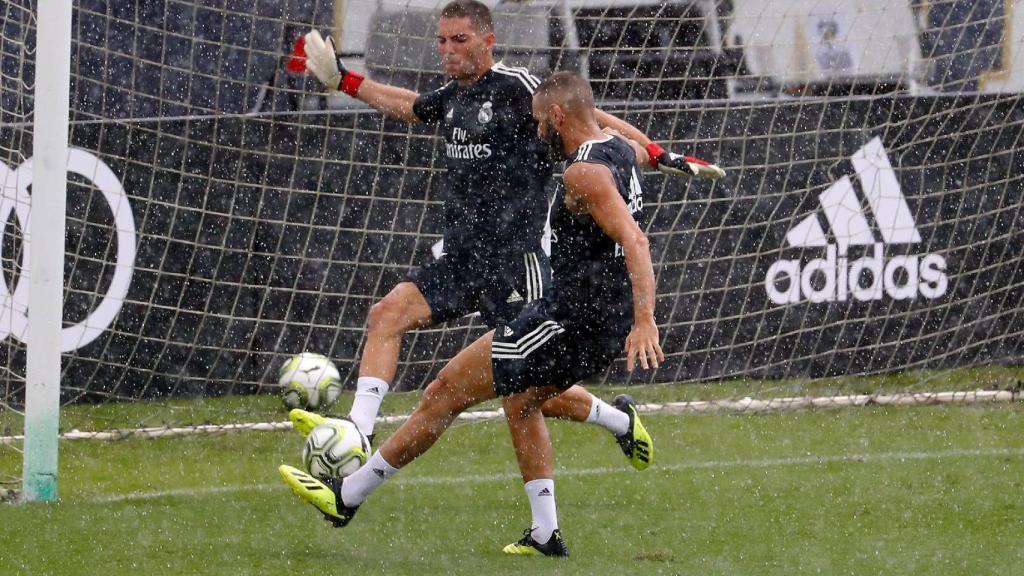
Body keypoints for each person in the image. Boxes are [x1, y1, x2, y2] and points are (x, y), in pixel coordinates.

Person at [293, 0, 719, 463]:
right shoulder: (453, 97)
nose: (448, 49)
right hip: (462, 256)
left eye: (460, 39)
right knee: (387, 314)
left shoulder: (517, 87)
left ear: (488, 41)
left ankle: (618, 422)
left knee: (524, 390)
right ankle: (358, 433)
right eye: (442, 40)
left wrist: (657, 153)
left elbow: (589, 118)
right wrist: (345, 81)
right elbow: (409, 105)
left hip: (517, 263)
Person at [279, 70, 665, 557]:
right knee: (521, 401)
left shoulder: (582, 172)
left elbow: (635, 241)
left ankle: (347, 497)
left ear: (557, 116)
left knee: (444, 392)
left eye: (540, 121)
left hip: (569, 320)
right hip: (595, 321)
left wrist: (645, 321)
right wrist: (662, 155)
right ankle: (545, 534)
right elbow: (634, 152)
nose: (537, 130)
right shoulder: (620, 150)